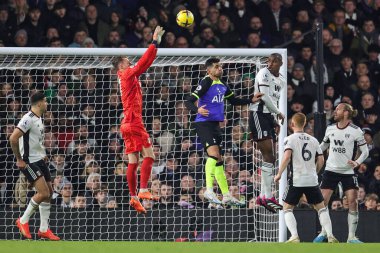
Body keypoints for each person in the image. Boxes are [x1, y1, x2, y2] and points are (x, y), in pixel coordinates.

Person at [185, 57, 263, 206]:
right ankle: (208, 189)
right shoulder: (206, 82)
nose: (220, 69)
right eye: (216, 67)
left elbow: (233, 101)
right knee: (213, 155)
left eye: (220, 66)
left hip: (215, 126)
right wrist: (197, 109)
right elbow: (188, 101)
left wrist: (251, 100)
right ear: (209, 70)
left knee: (219, 161)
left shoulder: (222, 85)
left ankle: (226, 195)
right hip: (203, 124)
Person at [112, 26, 165, 214]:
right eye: (127, 61)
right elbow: (142, 64)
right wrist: (154, 41)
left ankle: (133, 197)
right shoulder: (126, 74)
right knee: (150, 155)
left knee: (133, 161)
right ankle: (142, 190)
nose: (130, 63)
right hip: (134, 122)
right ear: (121, 66)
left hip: (126, 123)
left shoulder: (125, 76)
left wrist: (155, 46)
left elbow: (145, 64)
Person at [274, 113, 338, 243]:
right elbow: (321, 159)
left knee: (286, 208)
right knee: (321, 208)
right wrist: (315, 171)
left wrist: (279, 173)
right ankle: (330, 236)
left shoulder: (290, 139)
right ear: (304, 124)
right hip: (311, 179)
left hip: (297, 179)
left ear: (292, 124)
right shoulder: (313, 140)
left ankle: (294, 236)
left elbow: (287, 157)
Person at [313, 103, 369, 243]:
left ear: (346, 113)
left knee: (352, 201)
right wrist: (312, 151)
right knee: (321, 202)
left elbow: (365, 151)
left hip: (348, 171)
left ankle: (351, 237)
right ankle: (325, 232)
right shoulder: (330, 128)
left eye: (338, 109)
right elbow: (323, 146)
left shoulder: (356, 131)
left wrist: (357, 162)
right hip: (330, 170)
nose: (334, 112)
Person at [9, 92, 60, 240]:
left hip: (39, 159)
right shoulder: (28, 119)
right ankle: (23, 220)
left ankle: (43, 229)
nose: (47, 103)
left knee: (49, 193)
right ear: (38, 103)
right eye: (45, 101)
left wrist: (42, 153)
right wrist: (19, 159)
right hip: (29, 162)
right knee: (43, 193)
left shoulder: (38, 119)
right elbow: (13, 138)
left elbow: (34, 141)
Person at [249, 53, 285, 212]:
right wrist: (278, 112)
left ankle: (263, 196)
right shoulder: (263, 73)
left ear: (281, 63)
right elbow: (264, 97)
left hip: (268, 117)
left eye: (274, 61)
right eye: (269, 61)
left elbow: (274, 99)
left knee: (271, 157)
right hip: (257, 114)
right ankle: (267, 195)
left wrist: (274, 120)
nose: (270, 64)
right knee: (269, 155)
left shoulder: (281, 80)